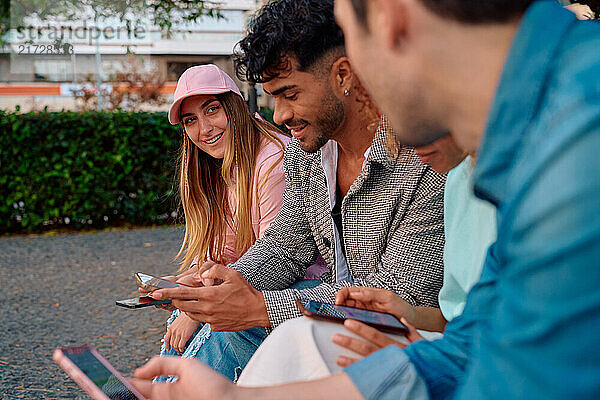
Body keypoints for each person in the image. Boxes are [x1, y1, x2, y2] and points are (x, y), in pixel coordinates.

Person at [130, 0, 600, 399]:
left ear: (391, 23)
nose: (371, 98)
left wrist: (262, 310)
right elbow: (469, 345)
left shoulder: (562, 141)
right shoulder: (532, 124)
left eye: (357, 51)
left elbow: (509, 373)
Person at [146, 0, 446, 383]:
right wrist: (222, 283)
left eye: (289, 94)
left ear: (343, 75)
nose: (278, 115)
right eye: (272, 97)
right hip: (335, 320)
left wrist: (261, 309)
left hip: (412, 342)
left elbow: (391, 300)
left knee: (252, 325)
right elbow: (285, 246)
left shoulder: (422, 156)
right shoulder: (308, 155)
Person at [231, 134, 496, 385]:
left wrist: (434, 357)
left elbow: (506, 343)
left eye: (290, 94)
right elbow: (457, 313)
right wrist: (411, 314)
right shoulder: (460, 177)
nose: (280, 115)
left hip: (480, 366)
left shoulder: (445, 172)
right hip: (451, 347)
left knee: (302, 336)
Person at [153, 64, 291, 361]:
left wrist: (200, 307)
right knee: (178, 322)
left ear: (235, 105)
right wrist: (187, 282)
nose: (204, 129)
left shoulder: (274, 159)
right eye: (191, 120)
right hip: (248, 281)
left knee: (211, 327)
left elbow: (277, 257)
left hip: (291, 291)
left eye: (212, 110)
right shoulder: (219, 165)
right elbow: (225, 249)